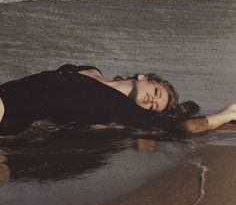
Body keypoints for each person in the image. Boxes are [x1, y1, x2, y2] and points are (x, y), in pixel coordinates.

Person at [0, 63, 235, 136]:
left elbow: (183, 127)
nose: (153, 101)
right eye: (156, 93)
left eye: (156, 105)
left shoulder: (122, 108)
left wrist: (227, 113)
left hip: (7, 111)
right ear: (143, 77)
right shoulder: (90, 70)